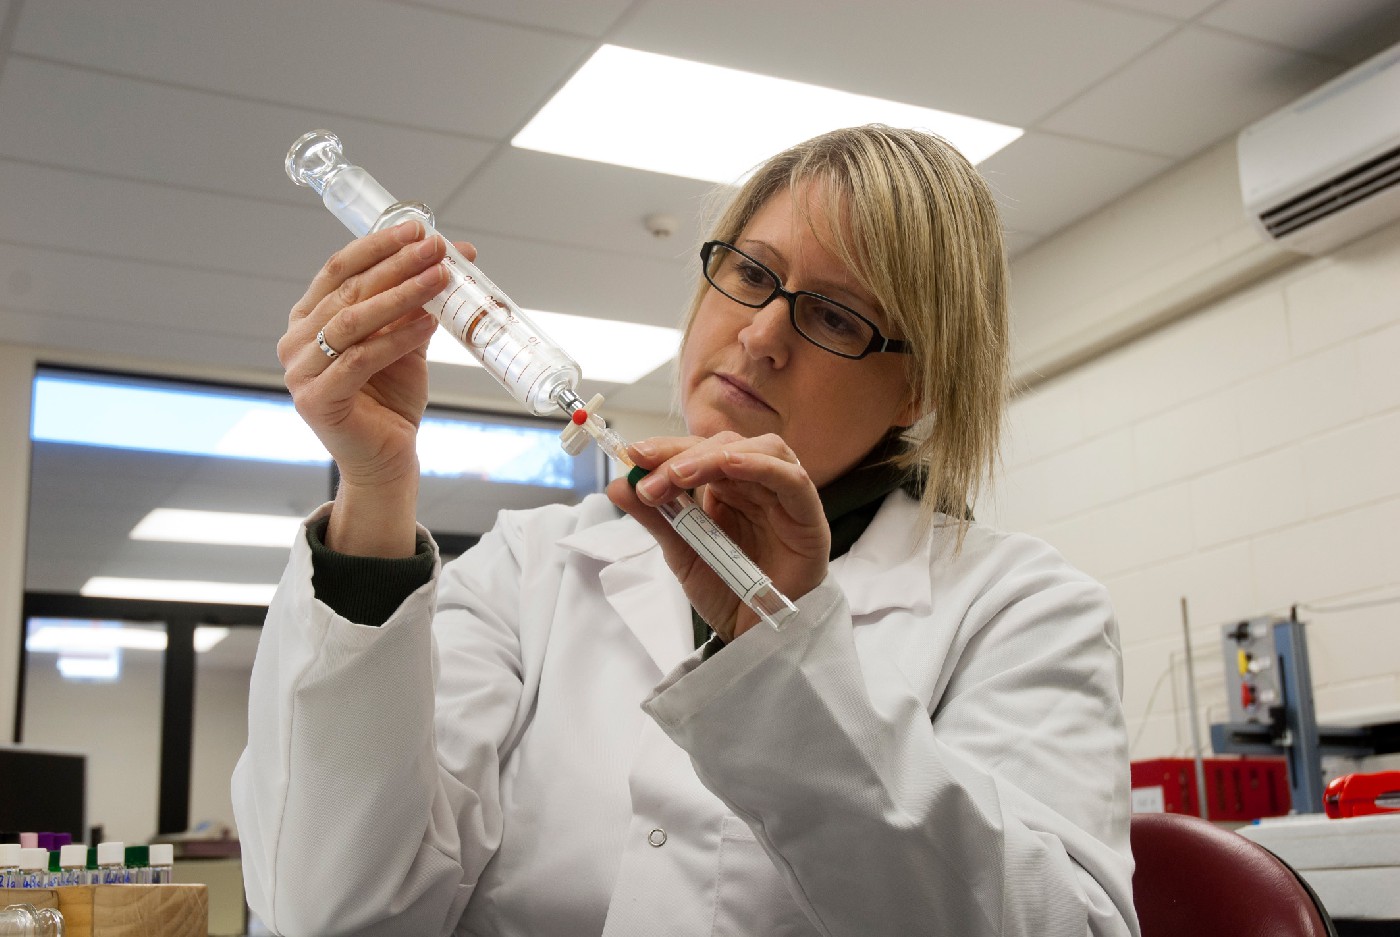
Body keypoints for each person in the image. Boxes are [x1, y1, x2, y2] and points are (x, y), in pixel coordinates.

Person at [232, 125, 1140, 937]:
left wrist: (782, 659)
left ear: (917, 389)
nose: (761, 335)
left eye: (836, 316)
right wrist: (375, 490)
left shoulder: (1020, 609)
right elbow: (331, 909)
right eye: (752, 274)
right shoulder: (530, 567)